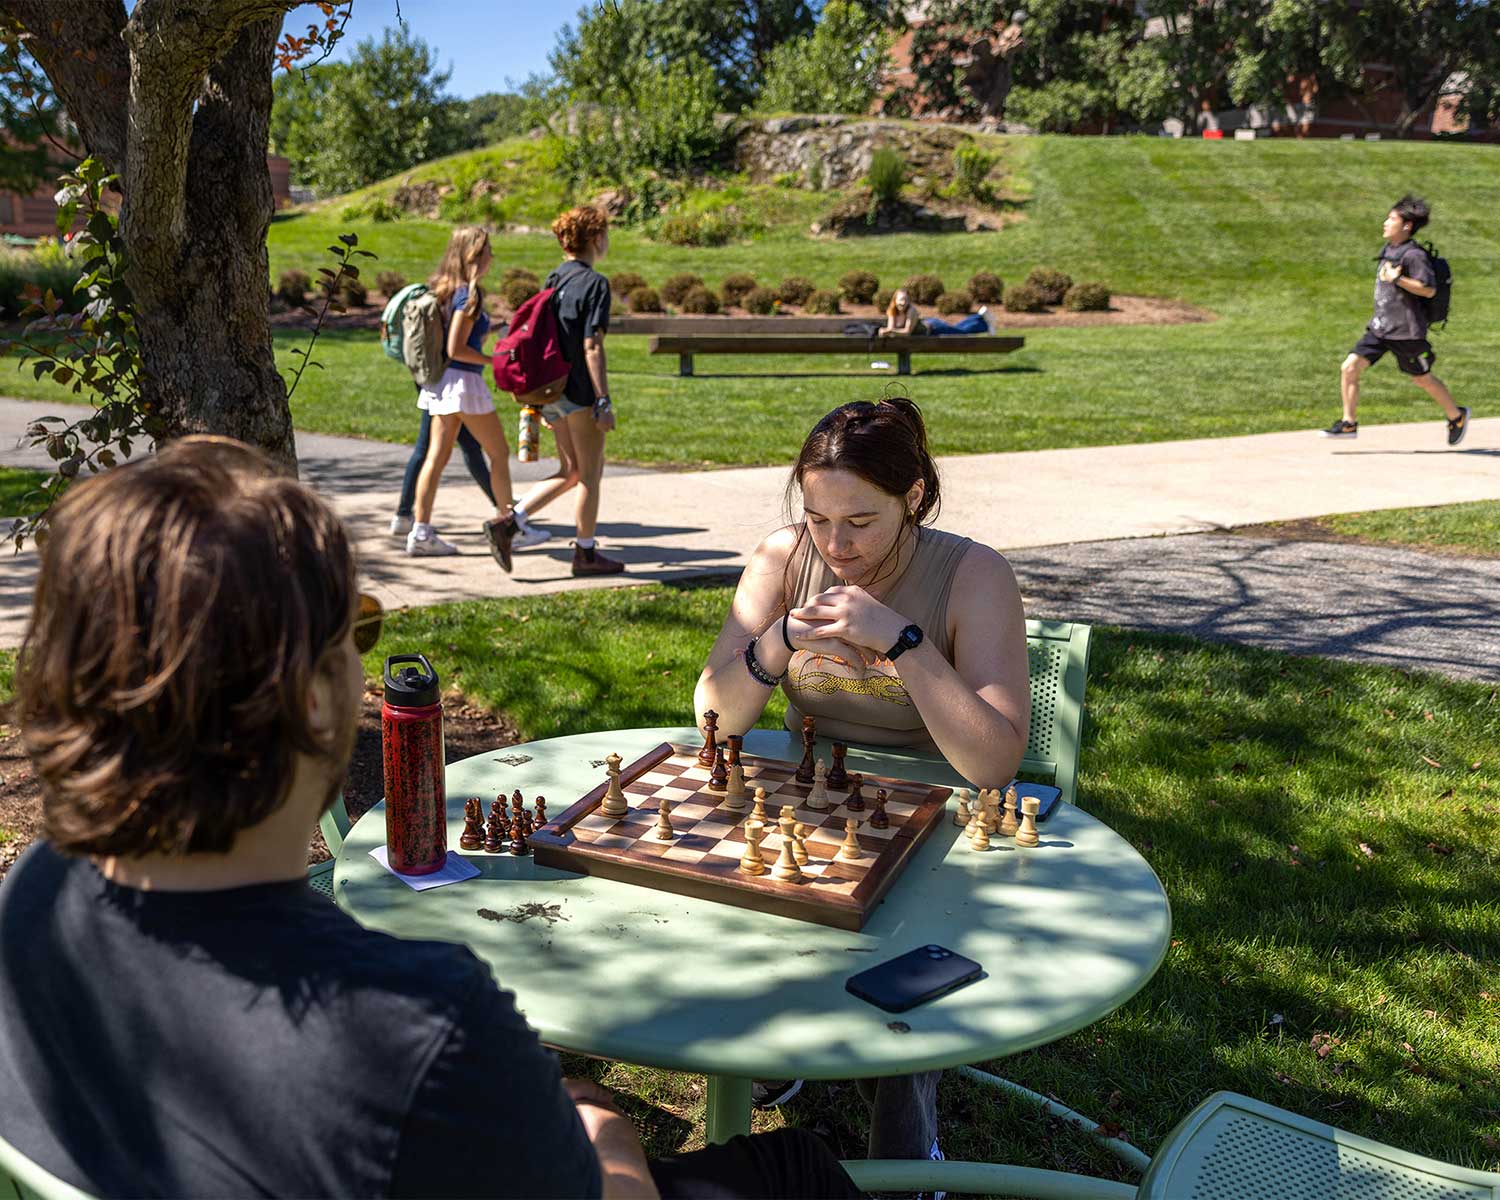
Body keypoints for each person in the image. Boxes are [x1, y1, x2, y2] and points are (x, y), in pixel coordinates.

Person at [0, 437, 861, 1200]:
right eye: (359, 630)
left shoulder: (34, 896)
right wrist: (609, 1131)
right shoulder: (420, 1028)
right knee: (796, 1172)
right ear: (311, 694)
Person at [692, 396, 1031, 1164]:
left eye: (861, 522)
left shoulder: (974, 574)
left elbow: (993, 760)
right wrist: (775, 640)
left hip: (934, 811)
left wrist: (903, 642)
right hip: (806, 797)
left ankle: (909, 1159)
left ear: (913, 498)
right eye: (818, 518)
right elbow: (717, 715)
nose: (835, 545)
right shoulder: (784, 557)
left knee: (902, 964)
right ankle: (766, 1062)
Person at [407, 226, 547, 568]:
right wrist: (496, 360)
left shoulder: (447, 290)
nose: (492, 258)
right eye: (488, 252)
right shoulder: (467, 295)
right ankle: (509, 525)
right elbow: (456, 348)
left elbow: (460, 340)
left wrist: (494, 330)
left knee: (436, 458)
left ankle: (420, 533)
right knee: (498, 453)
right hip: (463, 385)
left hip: (443, 386)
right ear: (474, 255)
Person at [509, 205, 625, 577]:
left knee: (570, 470)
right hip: (578, 393)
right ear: (595, 238)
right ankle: (586, 554)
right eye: (605, 233)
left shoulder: (553, 279)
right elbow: (592, 345)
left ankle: (510, 521)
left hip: (550, 391)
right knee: (589, 474)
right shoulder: (595, 284)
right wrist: (603, 399)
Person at [1321, 195, 1469, 445]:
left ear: (1407, 226)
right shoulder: (1389, 250)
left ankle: (1457, 417)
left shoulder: (1414, 255)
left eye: (1391, 219)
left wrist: (1398, 279)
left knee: (1422, 378)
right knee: (1349, 367)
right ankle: (1349, 423)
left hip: (1407, 333)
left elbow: (1428, 289)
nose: (1385, 223)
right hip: (1380, 329)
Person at [880, 287, 996, 337]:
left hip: (934, 327)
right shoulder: (892, 311)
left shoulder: (911, 311)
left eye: (905, 300)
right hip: (929, 329)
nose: (902, 303)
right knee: (958, 328)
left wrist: (890, 331)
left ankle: (983, 321)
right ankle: (981, 318)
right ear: (895, 301)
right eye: (900, 300)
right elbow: (891, 328)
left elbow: (907, 332)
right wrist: (886, 331)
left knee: (960, 332)